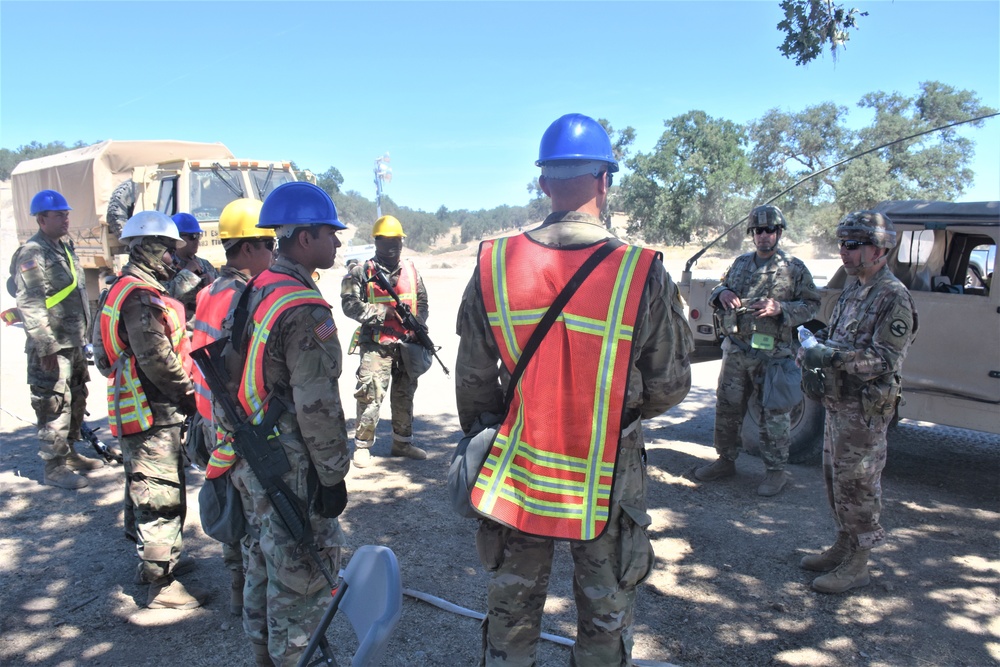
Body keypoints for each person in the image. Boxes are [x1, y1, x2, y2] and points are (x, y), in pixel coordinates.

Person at [455, 113, 693, 666]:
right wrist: (616, 415)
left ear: (543, 183)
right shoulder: (641, 272)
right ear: (605, 182)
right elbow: (671, 384)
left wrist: (499, 424)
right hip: (608, 473)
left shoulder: (492, 263)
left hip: (518, 465)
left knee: (511, 618)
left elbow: (472, 380)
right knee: (605, 621)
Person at [219, 182, 350, 667]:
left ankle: (264, 655)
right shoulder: (303, 307)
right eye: (329, 233)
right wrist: (333, 477)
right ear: (302, 238)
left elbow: (233, 369)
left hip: (254, 454)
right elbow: (317, 406)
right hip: (290, 465)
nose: (336, 242)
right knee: (303, 576)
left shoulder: (256, 288)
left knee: (262, 561)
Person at [797, 211, 917, 594]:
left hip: (863, 411)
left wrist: (831, 358)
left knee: (859, 484)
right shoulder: (854, 287)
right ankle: (844, 546)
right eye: (841, 244)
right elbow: (838, 338)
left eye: (852, 245)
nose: (843, 253)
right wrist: (814, 350)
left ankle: (860, 563)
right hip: (838, 403)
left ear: (880, 249)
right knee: (836, 481)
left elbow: (884, 359)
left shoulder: (893, 296)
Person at [91, 210, 204, 609]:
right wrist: (190, 394)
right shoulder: (139, 297)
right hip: (152, 407)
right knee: (159, 491)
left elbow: (104, 355)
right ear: (146, 247)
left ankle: (158, 560)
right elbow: (156, 357)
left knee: (145, 482)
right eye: (168, 249)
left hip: (140, 407)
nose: (174, 257)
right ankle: (161, 585)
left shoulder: (120, 287)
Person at [694, 205, 821, 496]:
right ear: (752, 234)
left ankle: (776, 472)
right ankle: (725, 460)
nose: (764, 235)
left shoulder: (794, 268)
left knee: (774, 415)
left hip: (773, 355)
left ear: (778, 233)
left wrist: (781, 308)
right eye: (758, 230)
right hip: (738, 350)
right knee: (728, 408)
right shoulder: (739, 263)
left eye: (770, 230)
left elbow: (812, 305)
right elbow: (720, 287)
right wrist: (721, 293)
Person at [190, 198, 275, 617]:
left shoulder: (208, 291)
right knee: (252, 516)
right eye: (269, 243)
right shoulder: (244, 297)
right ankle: (253, 603)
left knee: (230, 504)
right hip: (233, 424)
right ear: (245, 247)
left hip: (209, 418)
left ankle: (237, 587)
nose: (274, 253)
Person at [12, 189, 100, 489]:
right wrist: (45, 345)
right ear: (41, 219)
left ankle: (71, 451)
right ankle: (54, 466)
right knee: (54, 404)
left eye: (66, 213)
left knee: (76, 398)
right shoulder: (32, 254)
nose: (66, 219)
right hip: (52, 345)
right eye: (59, 214)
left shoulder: (63, 247)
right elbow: (30, 302)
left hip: (73, 341)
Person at [340, 214, 430, 467]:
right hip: (376, 345)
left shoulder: (412, 270)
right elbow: (349, 305)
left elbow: (422, 302)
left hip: (406, 345)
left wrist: (418, 325)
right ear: (376, 242)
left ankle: (402, 443)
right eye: (386, 241)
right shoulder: (360, 271)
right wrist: (382, 313)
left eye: (397, 241)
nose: (393, 246)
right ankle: (362, 446)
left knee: (404, 395)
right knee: (370, 395)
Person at [167, 211, 219, 323]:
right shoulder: (166, 266)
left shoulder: (205, 265)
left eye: (198, 236)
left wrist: (213, 285)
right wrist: (187, 273)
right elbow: (166, 297)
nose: (196, 241)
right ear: (177, 238)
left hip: (203, 326)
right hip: (178, 327)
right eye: (192, 237)